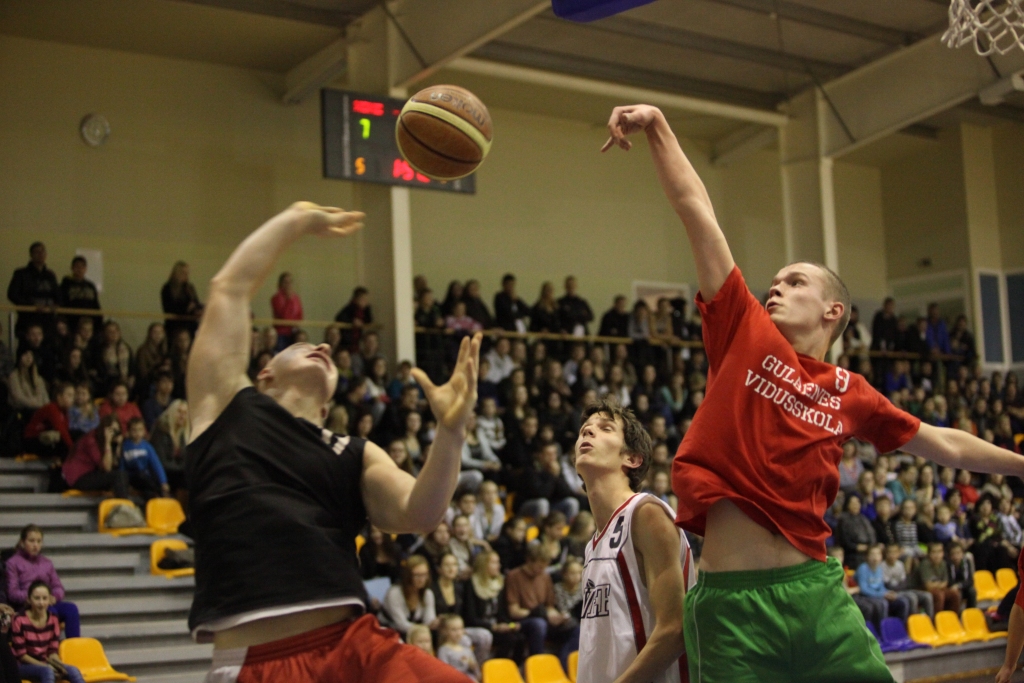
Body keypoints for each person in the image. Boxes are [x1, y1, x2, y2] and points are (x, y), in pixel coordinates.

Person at [604, 103, 1024, 682]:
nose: (775, 288)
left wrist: (1020, 465)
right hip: (731, 607)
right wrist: (658, 126)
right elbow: (698, 211)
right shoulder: (742, 332)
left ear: (833, 311)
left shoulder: (851, 390)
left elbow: (945, 445)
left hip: (817, 595)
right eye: (773, 282)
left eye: (794, 282)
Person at [185, 203, 478, 682]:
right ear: (264, 373)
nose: (321, 346)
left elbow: (419, 513)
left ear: (329, 403)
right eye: (302, 345)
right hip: (261, 662)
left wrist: (451, 432)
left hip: (357, 648)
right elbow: (229, 288)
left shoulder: (355, 452)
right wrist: (297, 219)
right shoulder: (226, 406)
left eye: (327, 352)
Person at [573, 399, 694, 683]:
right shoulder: (593, 544)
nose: (587, 433)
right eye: (584, 430)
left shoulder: (646, 513)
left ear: (632, 458)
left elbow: (675, 628)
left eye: (605, 429)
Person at [5, 526, 80, 638]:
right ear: (22, 542)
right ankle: (50, 648)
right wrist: (35, 597)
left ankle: (74, 648)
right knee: (50, 611)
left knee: (71, 609)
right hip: (28, 604)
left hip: (46, 601)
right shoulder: (13, 563)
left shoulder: (47, 563)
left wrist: (53, 597)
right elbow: (13, 592)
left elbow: (58, 587)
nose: (35, 545)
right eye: (31, 541)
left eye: (39, 541)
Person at [10, 581, 85, 683]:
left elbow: (52, 651)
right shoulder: (19, 619)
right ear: (29, 600)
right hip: (23, 665)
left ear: (50, 600)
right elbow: (22, 656)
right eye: (37, 598)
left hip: (45, 662)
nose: (41, 603)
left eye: (45, 598)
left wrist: (59, 666)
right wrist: (46, 666)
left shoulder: (53, 618)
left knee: (73, 671)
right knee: (47, 672)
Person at [463, 551, 525, 664]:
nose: (499, 566)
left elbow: (501, 612)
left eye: (498, 562)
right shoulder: (471, 585)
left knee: (520, 637)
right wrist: (493, 626)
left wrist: (509, 624)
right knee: (510, 639)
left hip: (496, 625)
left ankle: (513, 669)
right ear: (484, 565)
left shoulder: (499, 583)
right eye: (494, 562)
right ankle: (495, 668)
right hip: (480, 627)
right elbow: (470, 617)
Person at [62, 415, 129, 497]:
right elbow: (107, 467)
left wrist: (118, 445)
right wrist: (107, 443)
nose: (113, 433)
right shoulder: (91, 440)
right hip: (79, 477)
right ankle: (125, 505)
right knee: (118, 476)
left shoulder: (111, 442)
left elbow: (115, 464)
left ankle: (124, 504)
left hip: (93, 473)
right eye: (111, 430)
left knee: (124, 475)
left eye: (116, 431)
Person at [7, 242, 58, 337]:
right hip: (28, 319)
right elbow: (12, 294)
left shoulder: (50, 275)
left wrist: (56, 305)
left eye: (42, 251)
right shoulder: (21, 274)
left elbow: (58, 295)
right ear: (31, 255)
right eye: (37, 252)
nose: (40, 254)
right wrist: (32, 305)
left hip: (48, 320)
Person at [853, 545, 910, 631]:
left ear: (881, 556)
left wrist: (888, 593)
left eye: (877, 554)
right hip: (864, 596)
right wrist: (883, 594)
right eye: (872, 554)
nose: (875, 557)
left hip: (878, 595)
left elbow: (881, 587)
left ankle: (900, 630)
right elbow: (863, 589)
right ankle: (882, 631)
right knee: (883, 603)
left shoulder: (879, 568)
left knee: (902, 601)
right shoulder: (863, 568)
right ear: (867, 557)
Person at [22, 382, 74, 460]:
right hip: (33, 440)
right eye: (69, 395)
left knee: (75, 434)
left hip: (46, 440)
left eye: (73, 396)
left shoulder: (64, 411)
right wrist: (73, 449)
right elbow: (61, 430)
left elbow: (66, 429)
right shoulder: (51, 408)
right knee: (62, 441)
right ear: (59, 397)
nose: (72, 399)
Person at [151, 399, 189, 497]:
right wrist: (183, 468)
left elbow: (185, 459)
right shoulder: (161, 430)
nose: (182, 416)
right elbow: (161, 462)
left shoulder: (183, 433)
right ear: (171, 413)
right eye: (179, 412)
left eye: (185, 413)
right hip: (160, 474)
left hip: (176, 474)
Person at [161, 260, 203, 339]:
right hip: (175, 326)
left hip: (190, 325)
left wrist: (198, 309)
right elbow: (168, 308)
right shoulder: (167, 288)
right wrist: (186, 308)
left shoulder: (189, 287)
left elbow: (195, 303)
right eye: (183, 273)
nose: (186, 275)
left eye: (187, 273)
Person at [57, 255, 101, 330]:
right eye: (77, 267)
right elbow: (62, 302)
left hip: (89, 322)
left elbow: (96, 305)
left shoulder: (90, 286)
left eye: (82, 267)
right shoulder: (66, 284)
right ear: (72, 268)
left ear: (85, 269)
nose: (79, 269)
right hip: (72, 321)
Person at [914, 543, 960, 613]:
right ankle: (936, 620)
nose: (937, 555)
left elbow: (945, 583)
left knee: (954, 594)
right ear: (928, 554)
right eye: (934, 552)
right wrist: (940, 584)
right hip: (921, 590)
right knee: (939, 595)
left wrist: (936, 584)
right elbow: (928, 586)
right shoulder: (925, 564)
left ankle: (952, 618)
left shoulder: (943, 563)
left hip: (938, 589)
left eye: (939, 552)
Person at [435, 615, 480, 682]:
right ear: (444, 631)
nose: (458, 633)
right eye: (454, 630)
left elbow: (478, 674)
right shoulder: (443, 650)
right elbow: (444, 673)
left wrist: (473, 666)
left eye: (460, 629)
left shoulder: (466, 649)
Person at [335, 286, 372, 353]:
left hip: (358, 343)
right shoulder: (349, 309)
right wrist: (352, 321)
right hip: (347, 343)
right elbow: (339, 317)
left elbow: (369, 321)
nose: (366, 302)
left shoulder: (366, 310)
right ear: (356, 299)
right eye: (364, 299)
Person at [270, 272, 303, 346]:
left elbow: (300, 314)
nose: (288, 284)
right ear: (281, 284)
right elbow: (283, 316)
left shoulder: (296, 298)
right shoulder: (276, 298)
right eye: (286, 282)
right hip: (281, 333)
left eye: (290, 282)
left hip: (294, 332)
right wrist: (288, 300)